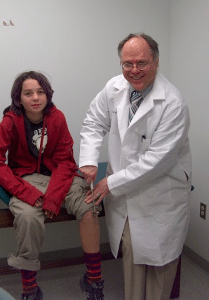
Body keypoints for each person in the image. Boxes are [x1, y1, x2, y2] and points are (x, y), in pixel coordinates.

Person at [79, 33, 192, 300]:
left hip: (160, 194)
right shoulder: (114, 88)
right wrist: (88, 160)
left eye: (141, 63)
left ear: (156, 61)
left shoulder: (173, 103)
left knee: (160, 268)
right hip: (127, 195)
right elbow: (94, 122)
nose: (134, 70)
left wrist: (110, 183)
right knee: (131, 258)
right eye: (127, 63)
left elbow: (157, 162)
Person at [0, 71, 104, 300]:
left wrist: (53, 198)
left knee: (89, 207)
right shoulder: (10, 120)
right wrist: (25, 192)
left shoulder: (57, 118)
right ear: (19, 98)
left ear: (48, 95)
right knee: (27, 218)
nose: (35, 97)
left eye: (40, 92)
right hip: (27, 179)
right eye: (28, 93)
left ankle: (94, 280)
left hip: (60, 178)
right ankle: (30, 290)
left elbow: (66, 162)